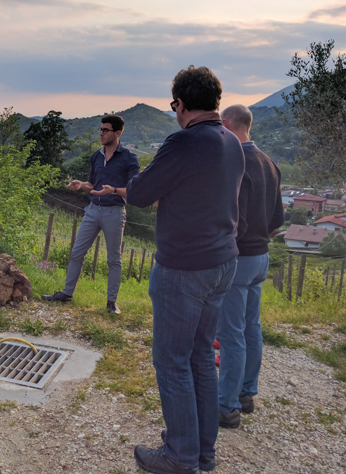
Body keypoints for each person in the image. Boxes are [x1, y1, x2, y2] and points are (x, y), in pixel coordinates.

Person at [126, 66, 245, 474]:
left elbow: (140, 194)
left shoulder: (183, 141)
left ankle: (179, 456)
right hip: (222, 262)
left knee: (173, 362)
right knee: (199, 358)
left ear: (180, 104)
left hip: (184, 268)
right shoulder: (231, 141)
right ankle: (202, 455)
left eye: (173, 103)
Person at [217, 104, 283, 428]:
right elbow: (278, 219)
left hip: (239, 257)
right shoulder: (270, 163)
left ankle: (225, 406)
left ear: (228, 124)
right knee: (252, 327)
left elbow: (236, 220)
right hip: (262, 257)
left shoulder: (237, 162)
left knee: (231, 335)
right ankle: (246, 393)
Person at [42, 115, 139, 314]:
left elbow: (134, 191)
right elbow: (92, 185)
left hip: (114, 212)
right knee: (77, 252)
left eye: (106, 130)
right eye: (100, 130)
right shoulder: (96, 156)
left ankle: (111, 302)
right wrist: (82, 185)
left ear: (118, 133)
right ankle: (67, 294)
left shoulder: (129, 158)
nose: (101, 133)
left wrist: (113, 190)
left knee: (114, 259)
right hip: (93, 210)